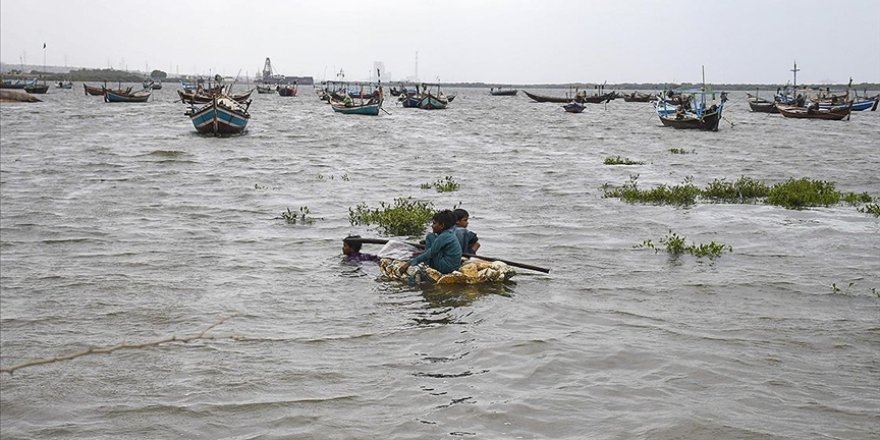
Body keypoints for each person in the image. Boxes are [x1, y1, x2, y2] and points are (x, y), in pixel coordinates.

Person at [398, 210, 461, 275]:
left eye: (434, 223)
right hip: (453, 266)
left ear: (442, 225)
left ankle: (426, 263)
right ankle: (424, 260)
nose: (432, 226)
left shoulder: (444, 236)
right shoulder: (450, 233)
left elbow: (431, 253)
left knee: (430, 236)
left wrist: (411, 262)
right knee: (432, 238)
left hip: (446, 268)